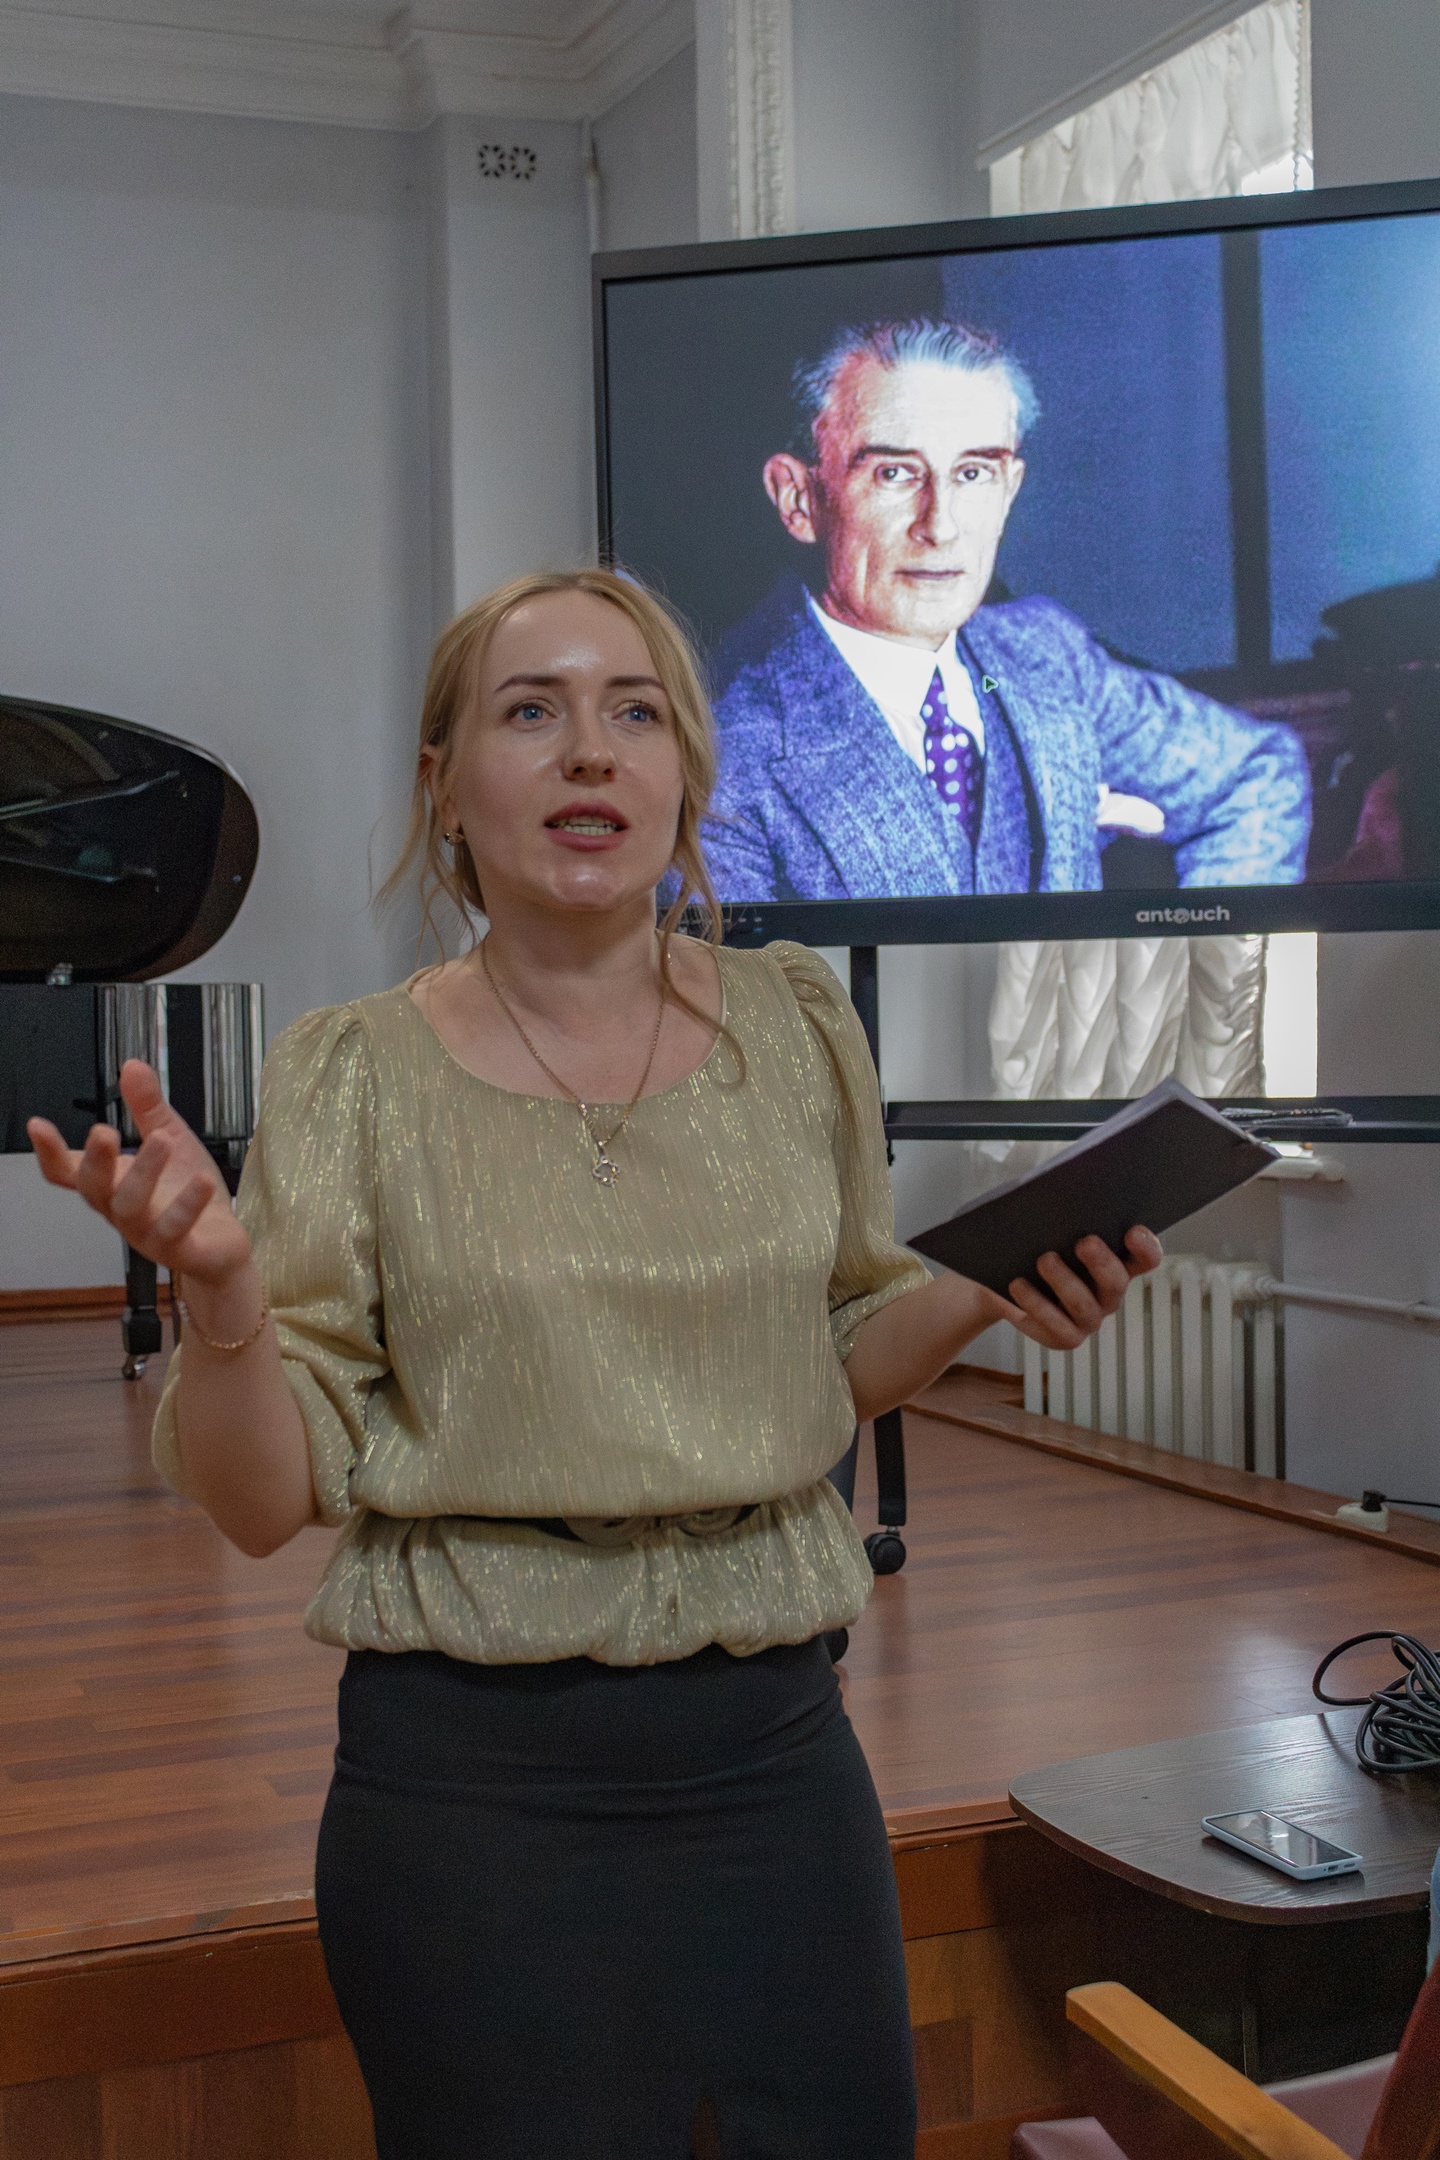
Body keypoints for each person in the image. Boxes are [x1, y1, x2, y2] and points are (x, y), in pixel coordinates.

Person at [28, 567, 1162, 2160]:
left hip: (780, 1759)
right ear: (446, 787)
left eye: (636, 713)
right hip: (473, 1794)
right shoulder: (355, 1074)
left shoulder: (798, 1027)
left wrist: (986, 1288)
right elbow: (261, 1504)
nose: (590, 751)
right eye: (532, 711)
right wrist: (222, 1299)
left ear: (686, 773)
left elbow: (839, 1358)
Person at [707, 317, 1312, 903]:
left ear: (1009, 490)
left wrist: (1194, 959)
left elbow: (1257, 776)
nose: (940, 526)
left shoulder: (1044, 655)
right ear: (799, 499)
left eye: (973, 473)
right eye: (895, 473)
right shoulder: (721, 757)